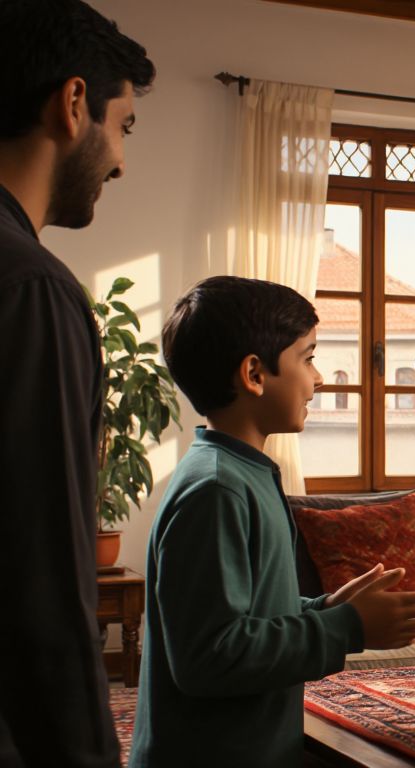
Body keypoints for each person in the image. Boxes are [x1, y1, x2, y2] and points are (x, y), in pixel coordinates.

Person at [130, 277, 415, 767]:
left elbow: (248, 610)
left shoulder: (240, 473)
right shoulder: (216, 490)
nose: (319, 379)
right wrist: (347, 627)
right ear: (254, 374)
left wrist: (324, 607)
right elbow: (209, 657)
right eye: (308, 357)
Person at [0, 1, 153, 764]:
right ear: (72, 104)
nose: (120, 163)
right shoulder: (32, 289)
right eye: (123, 126)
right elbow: (43, 586)